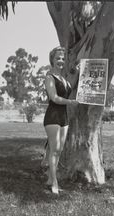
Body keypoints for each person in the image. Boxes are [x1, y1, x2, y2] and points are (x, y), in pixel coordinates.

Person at [42, 46, 78, 194]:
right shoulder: (49, 77)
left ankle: (50, 178)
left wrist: (79, 69)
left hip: (64, 117)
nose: (61, 61)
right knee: (55, 149)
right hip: (53, 116)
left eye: (63, 58)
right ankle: (54, 182)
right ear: (52, 60)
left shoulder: (64, 79)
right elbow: (54, 98)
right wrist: (70, 103)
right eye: (58, 58)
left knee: (58, 150)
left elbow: (74, 86)